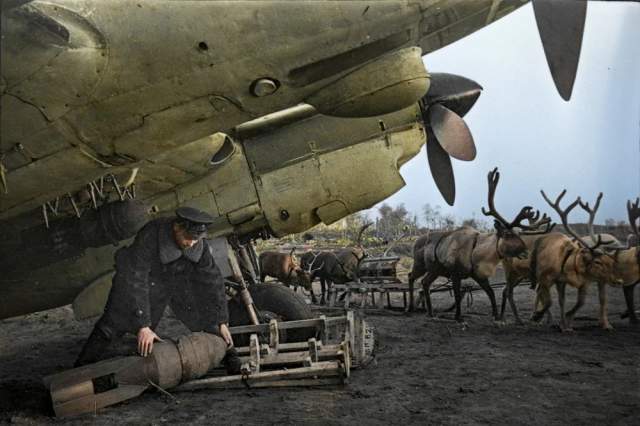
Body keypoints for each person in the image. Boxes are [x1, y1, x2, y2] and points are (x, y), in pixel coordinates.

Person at [75, 206, 239, 373]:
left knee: (207, 320)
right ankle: (80, 368)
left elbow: (212, 280)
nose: (191, 243)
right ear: (177, 227)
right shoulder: (151, 235)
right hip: (132, 282)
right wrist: (143, 325)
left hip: (173, 284)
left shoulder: (197, 244)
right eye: (188, 237)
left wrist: (221, 320)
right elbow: (137, 278)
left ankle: (232, 357)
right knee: (110, 328)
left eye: (196, 239)